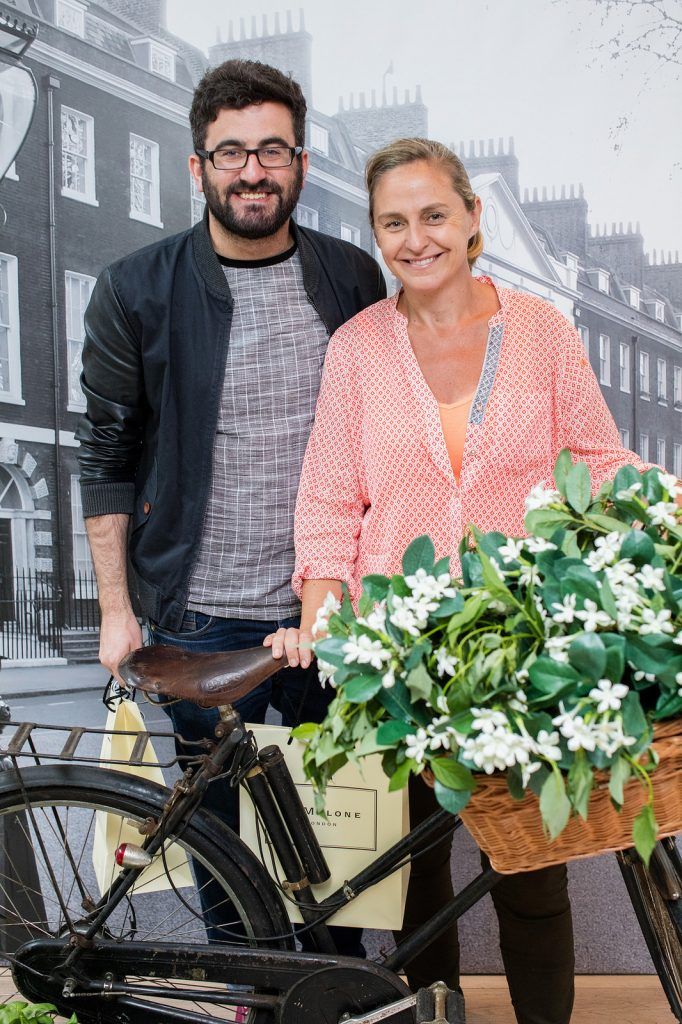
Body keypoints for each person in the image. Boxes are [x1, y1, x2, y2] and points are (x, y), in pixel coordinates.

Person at [266, 138, 653, 1023]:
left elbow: (598, 459)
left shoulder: (545, 333)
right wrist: (325, 622)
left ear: (472, 218)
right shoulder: (358, 350)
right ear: (375, 233)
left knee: (527, 866)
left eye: (433, 215)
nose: (415, 239)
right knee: (419, 873)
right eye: (392, 223)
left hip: (518, 642)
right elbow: (328, 506)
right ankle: (434, 1016)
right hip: (395, 650)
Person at [76, 59, 385, 955]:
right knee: (224, 859)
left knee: (345, 851)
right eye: (232, 153)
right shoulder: (136, 288)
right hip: (200, 620)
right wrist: (115, 610)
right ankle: (251, 1000)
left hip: (329, 612)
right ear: (198, 165)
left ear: (300, 159)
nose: (254, 172)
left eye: (273, 151)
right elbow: (107, 453)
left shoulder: (349, 277)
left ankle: (336, 1003)